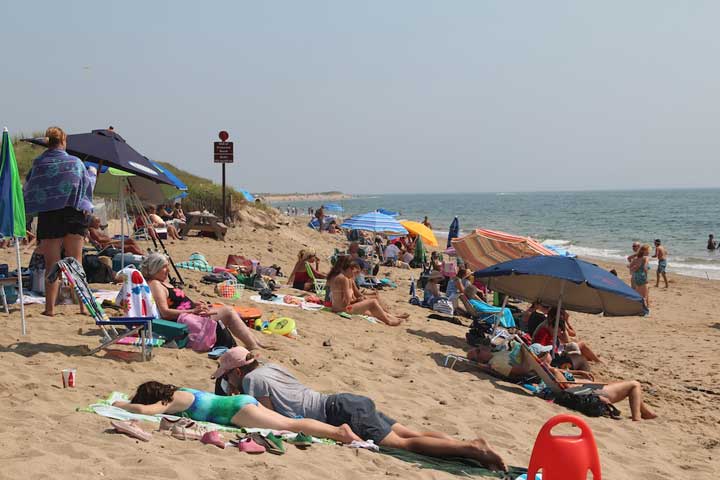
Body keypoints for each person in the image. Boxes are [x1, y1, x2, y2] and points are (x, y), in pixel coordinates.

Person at [212, 347, 507, 471]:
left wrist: (238, 401)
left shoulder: (251, 381)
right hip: (343, 401)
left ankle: (472, 448)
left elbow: (271, 419)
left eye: (226, 376)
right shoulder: (271, 367)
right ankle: (463, 445)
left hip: (337, 413)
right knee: (411, 432)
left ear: (236, 372)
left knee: (403, 444)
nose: (226, 381)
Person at [113, 380, 360, 443]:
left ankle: (339, 432)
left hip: (235, 411)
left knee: (289, 426)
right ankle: (338, 432)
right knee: (288, 422)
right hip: (238, 402)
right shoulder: (182, 391)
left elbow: (145, 410)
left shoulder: (172, 400)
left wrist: (122, 405)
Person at [23, 126, 97, 317]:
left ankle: (50, 308)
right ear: (63, 141)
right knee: (76, 262)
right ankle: (83, 307)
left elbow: (31, 184)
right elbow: (84, 186)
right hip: (73, 213)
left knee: (51, 264)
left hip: (49, 214)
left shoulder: (39, 163)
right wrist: (93, 172)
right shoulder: (75, 162)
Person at [142, 252, 264, 352]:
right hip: (185, 320)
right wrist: (192, 310)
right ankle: (253, 345)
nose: (167, 270)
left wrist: (195, 304)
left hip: (191, 314)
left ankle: (256, 343)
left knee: (228, 310)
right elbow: (165, 312)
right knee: (229, 312)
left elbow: (176, 301)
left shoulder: (162, 282)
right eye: (164, 267)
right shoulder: (155, 284)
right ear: (154, 268)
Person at [537, 348, 657, 421]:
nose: (549, 354)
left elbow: (562, 378)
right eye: (546, 353)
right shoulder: (555, 372)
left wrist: (578, 372)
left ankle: (646, 413)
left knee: (622, 385)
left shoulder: (548, 370)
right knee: (634, 384)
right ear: (543, 359)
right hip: (592, 392)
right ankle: (637, 418)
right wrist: (597, 396)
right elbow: (570, 389)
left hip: (591, 388)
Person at [328, 257, 406, 326]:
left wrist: (358, 299)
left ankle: (392, 317)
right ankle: (389, 321)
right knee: (373, 302)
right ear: (348, 269)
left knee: (370, 309)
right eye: (353, 271)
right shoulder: (344, 279)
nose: (353, 274)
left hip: (336, 308)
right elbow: (347, 302)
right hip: (345, 309)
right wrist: (357, 300)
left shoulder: (337, 276)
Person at [532, 307, 600, 368]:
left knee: (577, 346)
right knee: (576, 346)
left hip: (555, 349)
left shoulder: (557, 323)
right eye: (562, 315)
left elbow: (573, 333)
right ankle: (596, 362)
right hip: (552, 353)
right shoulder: (548, 327)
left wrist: (566, 322)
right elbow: (567, 340)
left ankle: (595, 362)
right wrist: (562, 330)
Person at [629, 244, 651, 311]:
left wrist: (635, 269)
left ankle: (637, 307)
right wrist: (647, 276)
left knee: (638, 293)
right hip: (643, 276)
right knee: (644, 295)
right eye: (649, 251)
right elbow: (645, 268)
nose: (649, 252)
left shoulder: (636, 258)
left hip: (636, 276)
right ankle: (645, 310)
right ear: (645, 251)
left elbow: (630, 266)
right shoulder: (646, 258)